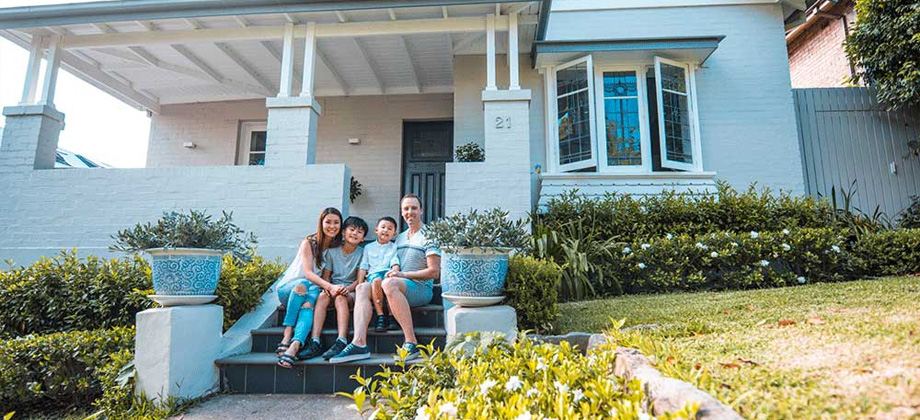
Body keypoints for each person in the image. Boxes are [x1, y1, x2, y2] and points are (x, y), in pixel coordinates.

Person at [331, 194, 440, 363]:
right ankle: (359, 342)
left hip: (420, 288)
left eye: (414, 208)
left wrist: (402, 274)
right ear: (402, 212)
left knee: (389, 283)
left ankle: (412, 342)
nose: (410, 212)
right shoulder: (401, 237)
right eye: (406, 208)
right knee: (362, 288)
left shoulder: (429, 235)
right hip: (395, 286)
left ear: (421, 210)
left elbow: (434, 272)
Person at [276, 207, 342, 369]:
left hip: (311, 291)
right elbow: (308, 273)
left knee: (308, 305)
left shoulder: (334, 249)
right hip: (290, 288)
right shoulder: (308, 243)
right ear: (321, 223)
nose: (332, 226)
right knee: (305, 284)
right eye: (328, 222)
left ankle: (295, 345)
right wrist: (330, 287)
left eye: (336, 223)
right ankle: (287, 333)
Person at [308, 216, 368, 361]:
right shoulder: (332, 252)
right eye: (351, 230)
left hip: (351, 291)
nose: (354, 233)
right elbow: (326, 276)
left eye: (359, 232)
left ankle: (341, 340)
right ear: (343, 232)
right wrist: (331, 288)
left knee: (341, 298)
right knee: (322, 296)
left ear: (363, 238)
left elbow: (360, 279)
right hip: (333, 288)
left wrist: (347, 288)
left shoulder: (363, 252)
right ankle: (315, 341)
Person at [361, 216, 401, 333]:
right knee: (377, 281)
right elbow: (364, 266)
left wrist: (395, 272)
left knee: (390, 283)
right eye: (383, 227)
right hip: (373, 275)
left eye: (390, 229)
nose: (386, 230)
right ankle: (380, 316)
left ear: (394, 234)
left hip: (387, 273)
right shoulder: (368, 247)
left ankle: (392, 316)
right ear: (376, 230)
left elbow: (395, 262)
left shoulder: (394, 247)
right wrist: (359, 283)